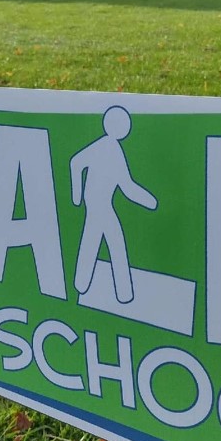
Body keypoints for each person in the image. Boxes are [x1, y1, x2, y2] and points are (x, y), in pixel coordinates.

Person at [70, 106, 157, 304]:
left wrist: (148, 201)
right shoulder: (104, 147)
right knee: (113, 243)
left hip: (100, 206)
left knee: (96, 242)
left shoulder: (114, 150)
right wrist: (77, 196)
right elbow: (76, 163)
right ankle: (122, 293)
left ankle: (87, 285)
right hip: (97, 206)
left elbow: (126, 186)